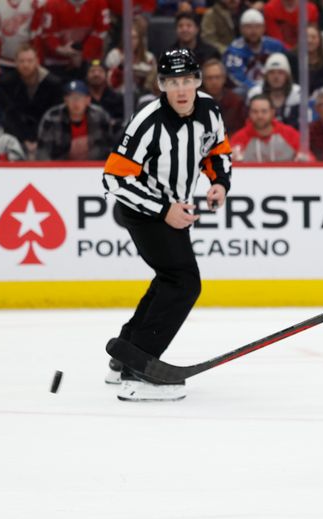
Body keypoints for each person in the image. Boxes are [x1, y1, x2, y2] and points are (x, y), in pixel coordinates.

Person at [101, 49, 231, 401]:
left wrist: (218, 182)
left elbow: (217, 151)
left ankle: (126, 352)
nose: (182, 89)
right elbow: (113, 179)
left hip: (175, 209)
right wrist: (163, 210)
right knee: (183, 282)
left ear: (198, 81)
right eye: (173, 82)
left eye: (188, 80)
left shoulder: (209, 110)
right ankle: (140, 369)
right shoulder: (147, 121)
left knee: (170, 279)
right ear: (161, 85)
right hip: (144, 211)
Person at [0, 44, 64, 158]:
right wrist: (24, 139)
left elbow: (54, 114)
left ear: (37, 61)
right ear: (16, 63)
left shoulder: (53, 83)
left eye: (29, 60)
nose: (26, 65)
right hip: (16, 133)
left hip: (47, 135)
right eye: (22, 61)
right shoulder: (6, 83)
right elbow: (9, 114)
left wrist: (39, 139)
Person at [37, 80, 114, 160]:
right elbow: (43, 151)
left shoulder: (100, 116)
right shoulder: (52, 117)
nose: (75, 102)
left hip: (95, 167)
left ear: (88, 100)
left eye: (79, 97)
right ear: (65, 100)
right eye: (71, 97)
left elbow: (110, 145)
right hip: (61, 168)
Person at [38, 0, 110, 82]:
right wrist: (59, 49)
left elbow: (101, 31)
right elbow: (48, 34)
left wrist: (82, 54)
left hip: (88, 62)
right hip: (56, 62)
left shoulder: (99, 3)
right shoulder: (52, 4)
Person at [223, 9, 287, 96]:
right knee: (238, 92)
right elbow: (238, 78)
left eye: (257, 26)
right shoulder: (234, 51)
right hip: (248, 90)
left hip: (273, 86)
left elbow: (287, 67)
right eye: (249, 27)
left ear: (264, 28)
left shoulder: (275, 46)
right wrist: (257, 89)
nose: (253, 31)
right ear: (241, 29)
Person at [231, 94, 301, 162]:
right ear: (249, 113)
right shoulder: (239, 138)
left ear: (272, 112)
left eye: (264, 111)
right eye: (255, 112)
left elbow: (307, 160)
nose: (259, 116)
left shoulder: (290, 134)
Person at [246, 52, 302, 129]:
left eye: (280, 73)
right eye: (271, 73)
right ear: (265, 76)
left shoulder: (298, 94)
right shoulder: (255, 93)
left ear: (287, 76)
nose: (276, 77)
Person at [105, 25, 157, 95]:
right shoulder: (114, 55)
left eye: (134, 37)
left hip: (143, 95)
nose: (131, 41)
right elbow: (110, 83)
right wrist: (120, 66)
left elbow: (155, 82)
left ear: (139, 39)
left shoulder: (149, 57)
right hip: (118, 95)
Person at [201, 58, 246, 135]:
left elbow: (242, 130)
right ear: (203, 80)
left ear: (224, 78)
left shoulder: (236, 101)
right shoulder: (195, 101)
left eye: (217, 77)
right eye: (209, 78)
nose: (214, 82)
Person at [86, 59, 125, 130]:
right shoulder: (82, 98)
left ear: (106, 75)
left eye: (100, 71)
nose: (96, 74)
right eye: (92, 71)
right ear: (86, 76)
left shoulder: (117, 98)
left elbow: (122, 121)